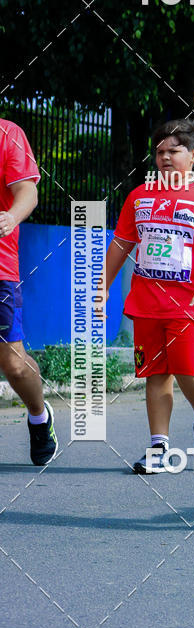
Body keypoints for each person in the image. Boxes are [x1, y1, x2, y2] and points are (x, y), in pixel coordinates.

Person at [101, 118, 194, 471]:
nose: (165, 157)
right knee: (155, 374)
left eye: (173, 151)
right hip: (146, 304)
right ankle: (159, 447)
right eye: (159, 152)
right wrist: (102, 287)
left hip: (189, 304)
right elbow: (121, 245)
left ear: (193, 155)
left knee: (188, 371)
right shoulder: (139, 196)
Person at [0, 119, 58, 465]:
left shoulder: (8, 134)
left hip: (1, 268)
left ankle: (39, 414)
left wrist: (10, 217)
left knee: (13, 364)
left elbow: (28, 191)